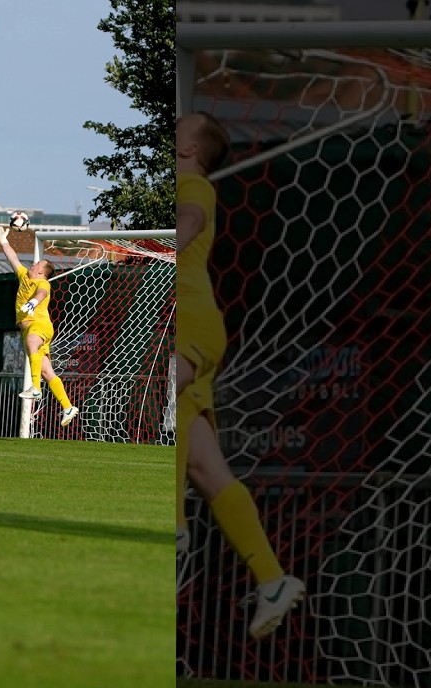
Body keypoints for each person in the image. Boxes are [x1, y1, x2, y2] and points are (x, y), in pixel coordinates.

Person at [176, 111, 305, 639]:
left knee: (156, 397)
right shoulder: (188, 180)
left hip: (190, 325)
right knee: (206, 468)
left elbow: (184, 228)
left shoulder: (192, 185)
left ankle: (174, 531)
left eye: (180, 124)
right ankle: (273, 580)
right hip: (191, 324)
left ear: (190, 146)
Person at [0, 224, 80, 427]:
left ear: (42, 271)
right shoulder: (25, 276)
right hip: (28, 329)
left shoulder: (43, 283)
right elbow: (12, 258)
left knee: (33, 343)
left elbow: (41, 294)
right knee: (47, 372)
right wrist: (2, 239)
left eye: (37, 264)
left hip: (39, 325)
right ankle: (68, 407)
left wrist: (33, 303)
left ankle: (35, 388)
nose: (32, 264)